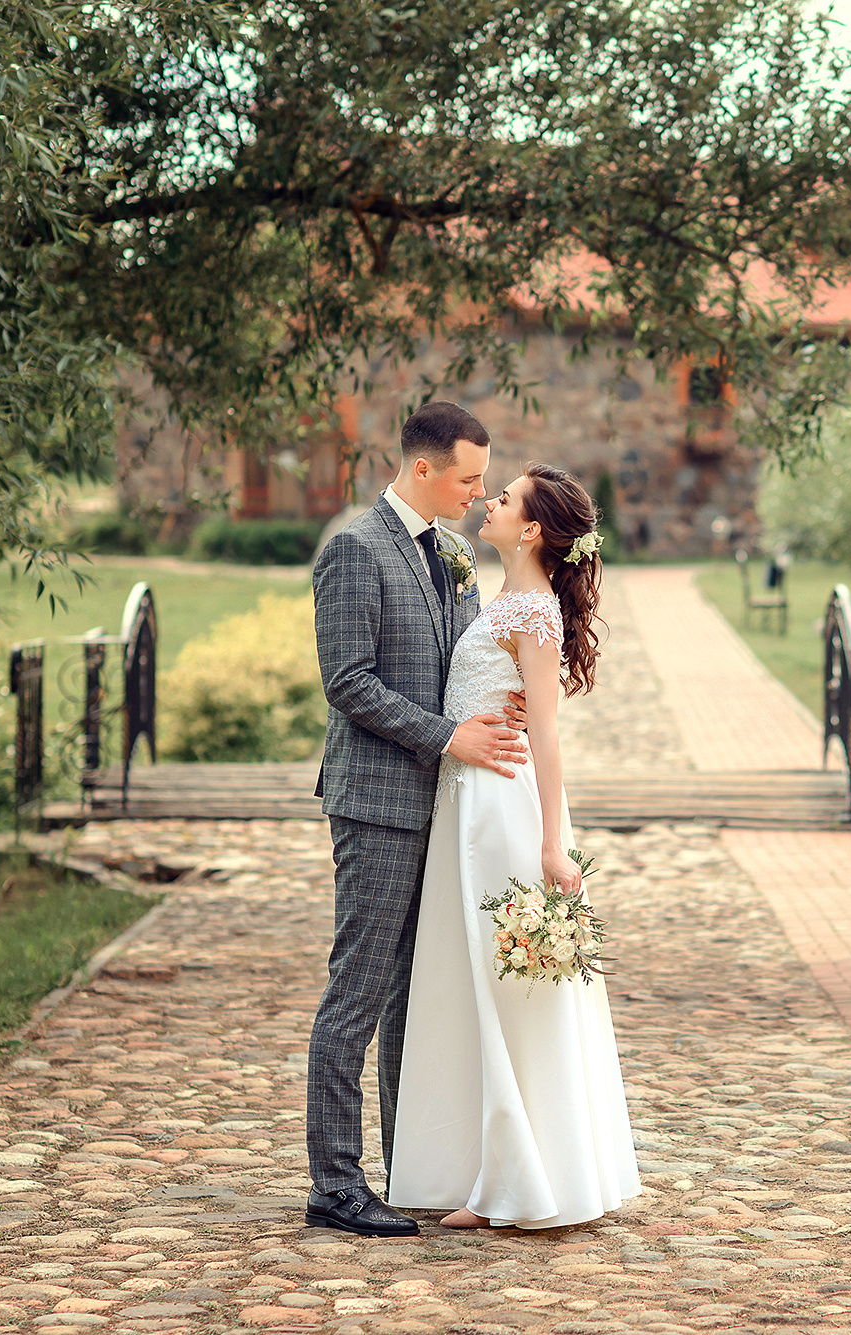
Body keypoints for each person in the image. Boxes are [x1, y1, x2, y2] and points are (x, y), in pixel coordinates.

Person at [387, 464, 642, 1229]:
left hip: (501, 807)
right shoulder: (499, 595)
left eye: (504, 498)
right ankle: (482, 1165)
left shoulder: (533, 612)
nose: (489, 500)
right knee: (472, 980)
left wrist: (553, 845)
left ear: (531, 529)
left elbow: (547, 731)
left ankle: (517, 1176)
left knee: (506, 986)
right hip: (464, 801)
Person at [305, 401, 529, 1239]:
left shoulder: (457, 554)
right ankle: (334, 1185)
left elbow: (464, 666)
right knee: (357, 993)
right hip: (377, 803)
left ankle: (409, 1167)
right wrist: (452, 738)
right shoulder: (354, 551)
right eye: (470, 478)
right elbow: (349, 682)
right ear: (425, 469)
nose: (479, 492)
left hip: (441, 804)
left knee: (412, 995)